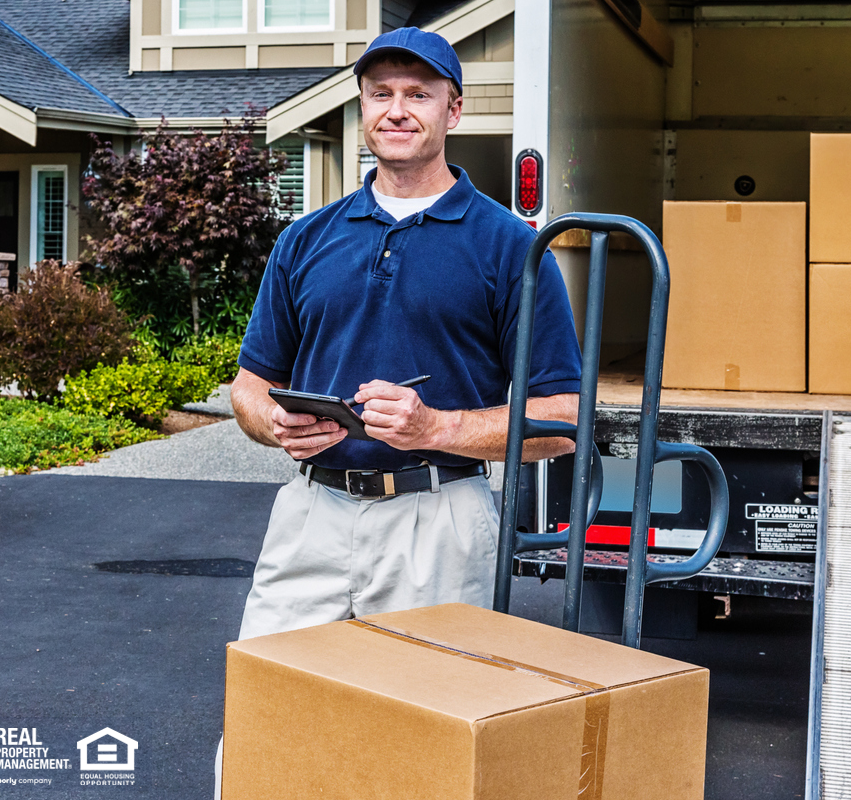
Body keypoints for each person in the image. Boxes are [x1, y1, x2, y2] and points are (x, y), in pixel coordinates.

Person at [215, 27, 582, 796]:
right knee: (269, 721)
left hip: (439, 519)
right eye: (381, 93)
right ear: (363, 108)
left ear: (454, 108)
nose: (398, 110)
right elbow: (249, 385)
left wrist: (439, 428)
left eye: (418, 94)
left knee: (429, 747)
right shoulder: (307, 239)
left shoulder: (510, 247)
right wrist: (272, 422)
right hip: (310, 516)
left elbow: (561, 418)